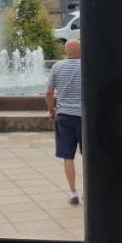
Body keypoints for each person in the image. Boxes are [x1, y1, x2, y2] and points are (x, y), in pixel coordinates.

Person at [46, 39, 84, 205]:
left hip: (64, 116)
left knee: (67, 156)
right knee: (88, 155)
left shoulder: (57, 67)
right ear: (81, 51)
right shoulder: (88, 66)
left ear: (65, 51)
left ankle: (73, 192)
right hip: (85, 117)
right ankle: (89, 191)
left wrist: (51, 110)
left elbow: (49, 93)